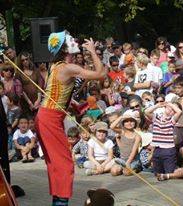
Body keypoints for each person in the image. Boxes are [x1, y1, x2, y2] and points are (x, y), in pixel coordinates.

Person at [35, 31, 106, 206]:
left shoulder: (56, 64)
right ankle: (60, 204)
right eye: (69, 40)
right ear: (64, 48)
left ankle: (58, 202)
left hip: (47, 117)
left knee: (57, 164)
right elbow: (101, 74)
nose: (74, 40)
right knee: (65, 165)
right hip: (49, 118)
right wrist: (92, 51)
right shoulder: (68, 68)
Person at [145, 101, 182, 175]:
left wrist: (170, 104)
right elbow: (147, 111)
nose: (171, 109)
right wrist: (158, 105)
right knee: (157, 173)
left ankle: (180, 171)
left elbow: (179, 112)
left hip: (168, 150)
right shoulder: (156, 117)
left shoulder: (172, 119)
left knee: (169, 173)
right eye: (170, 107)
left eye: (173, 110)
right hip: (157, 149)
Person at [110, 110, 142, 176]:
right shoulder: (122, 132)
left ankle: (136, 168)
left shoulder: (137, 136)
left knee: (126, 173)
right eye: (126, 121)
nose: (129, 123)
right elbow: (112, 127)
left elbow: (134, 151)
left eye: (131, 121)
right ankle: (123, 166)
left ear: (135, 123)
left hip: (133, 160)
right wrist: (121, 117)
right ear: (123, 124)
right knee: (114, 172)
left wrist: (128, 162)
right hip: (123, 159)